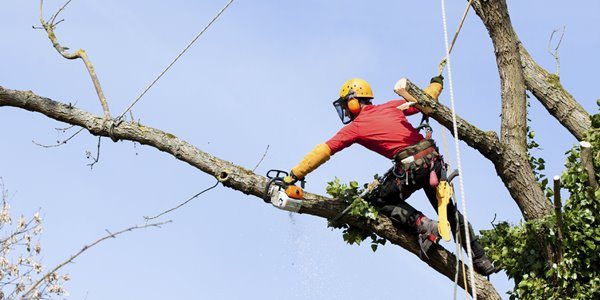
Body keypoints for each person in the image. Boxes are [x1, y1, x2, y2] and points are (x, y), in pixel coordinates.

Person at [283, 77, 496, 276]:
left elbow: (324, 150)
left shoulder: (355, 128)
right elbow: (425, 98)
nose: (347, 112)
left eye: (347, 105)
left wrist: (294, 174)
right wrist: (436, 83)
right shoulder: (391, 106)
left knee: (379, 200)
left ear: (354, 102)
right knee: (449, 213)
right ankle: (481, 259)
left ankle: (424, 225)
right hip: (433, 162)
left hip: (412, 167)